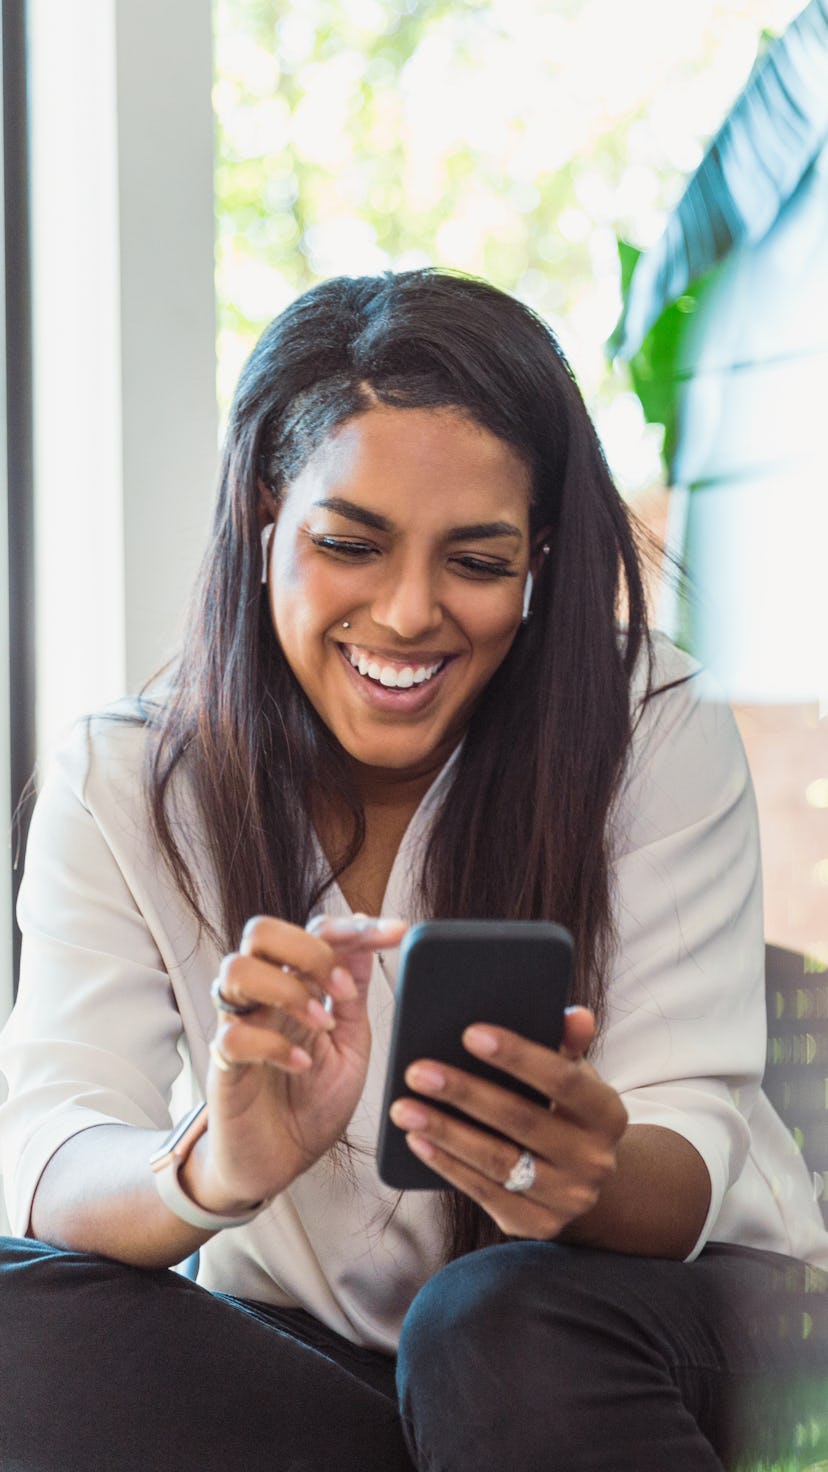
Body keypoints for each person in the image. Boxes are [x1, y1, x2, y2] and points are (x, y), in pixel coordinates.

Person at [0, 268, 826, 1472]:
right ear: (262, 514)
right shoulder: (123, 777)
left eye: (478, 563)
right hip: (325, 1365)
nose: (407, 613)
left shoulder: (652, 728)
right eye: (351, 543)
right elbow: (49, 1152)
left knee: (492, 1326)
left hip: (646, 1326)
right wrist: (216, 1162)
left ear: (541, 557)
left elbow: (689, 1143)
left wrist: (582, 1178)